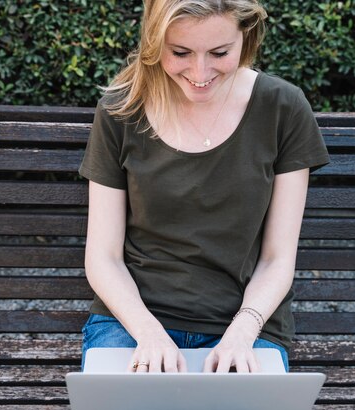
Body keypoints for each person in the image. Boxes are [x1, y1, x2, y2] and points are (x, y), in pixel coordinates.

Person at [78, 0, 329, 374]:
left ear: (245, 36)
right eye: (180, 52)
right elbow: (104, 257)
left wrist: (243, 331)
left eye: (219, 52)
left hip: (246, 323)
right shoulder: (122, 109)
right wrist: (149, 332)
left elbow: (277, 258)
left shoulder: (283, 108)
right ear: (154, 41)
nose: (200, 71)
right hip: (133, 321)